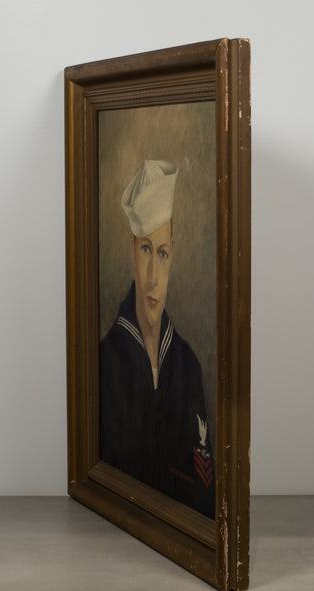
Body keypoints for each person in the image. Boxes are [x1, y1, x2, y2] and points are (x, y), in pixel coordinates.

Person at [100, 160, 215, 519]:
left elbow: (204, 494)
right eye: (146, 250)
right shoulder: (105, 363)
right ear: (131, 247)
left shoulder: (188, 366)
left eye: (162, 253)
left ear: (173, 255)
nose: (153, 277)